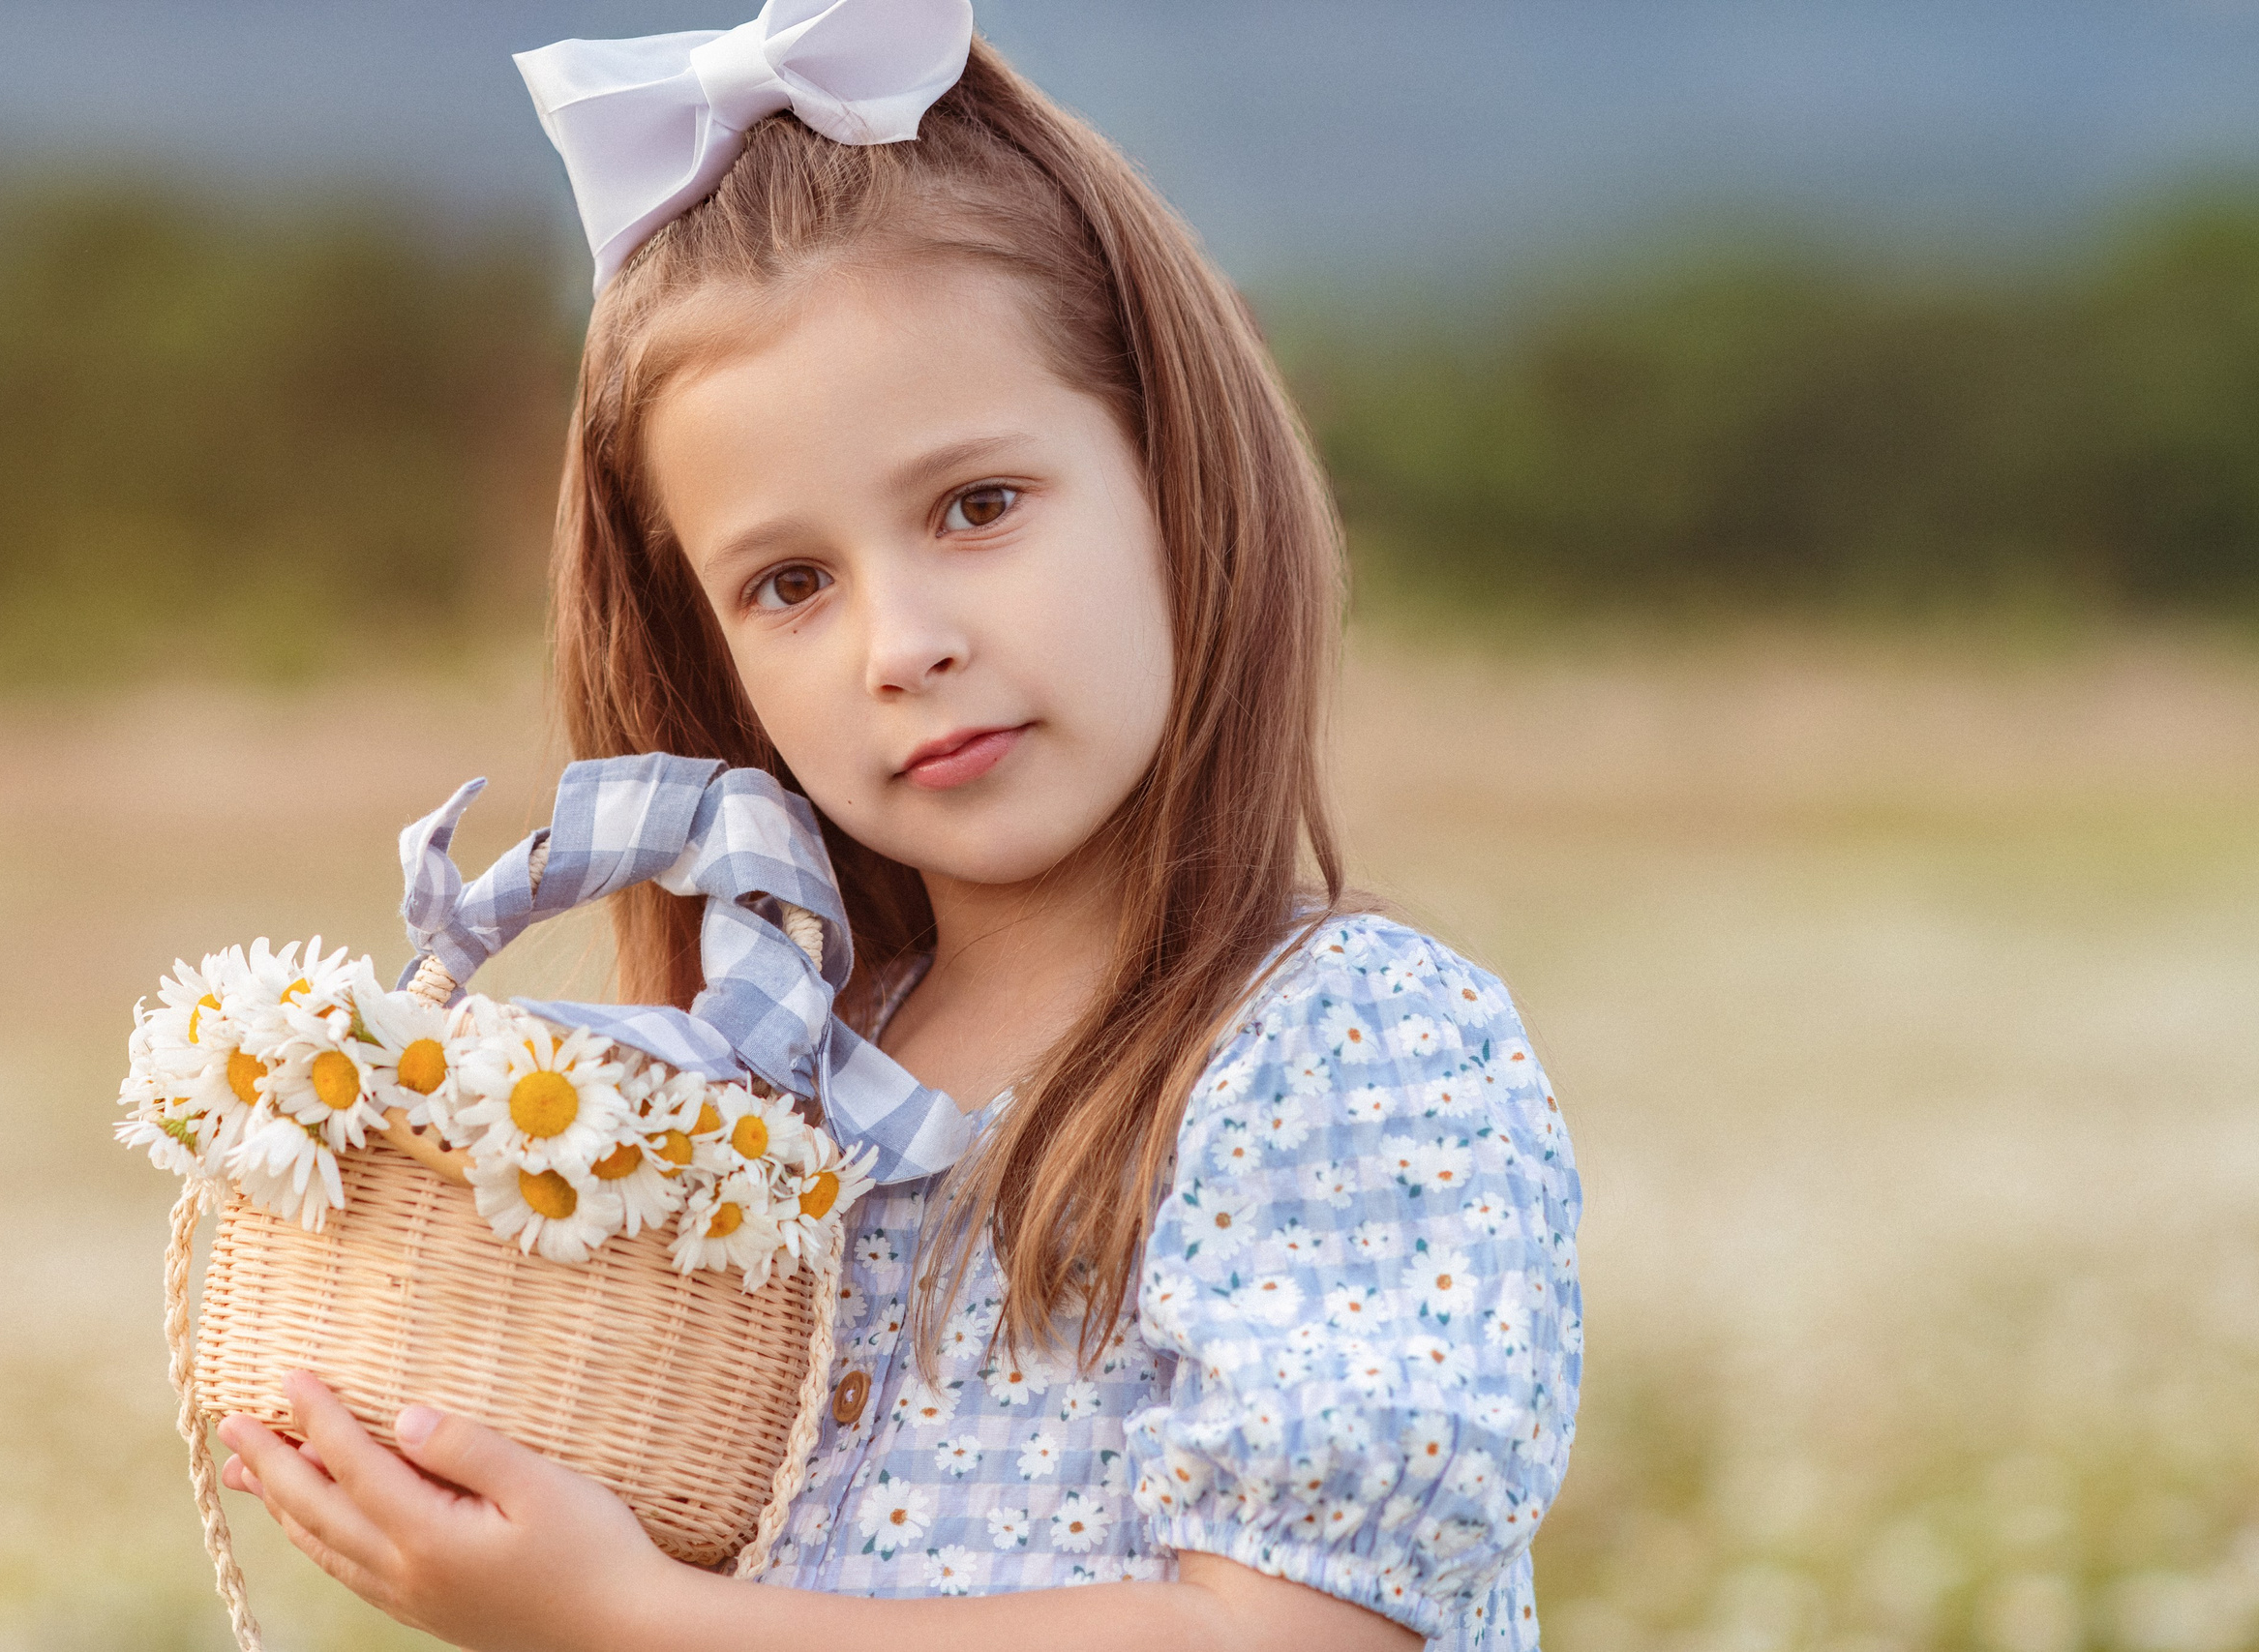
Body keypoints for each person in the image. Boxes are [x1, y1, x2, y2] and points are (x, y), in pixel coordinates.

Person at [215, 5, 1583, 1648]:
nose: (901, 645)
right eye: (790, 583)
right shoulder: (782, 1075)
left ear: (1176, 476)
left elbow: (1293, 1633)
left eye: (976, 507)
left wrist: (631, 1621)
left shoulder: (1343, 1048)